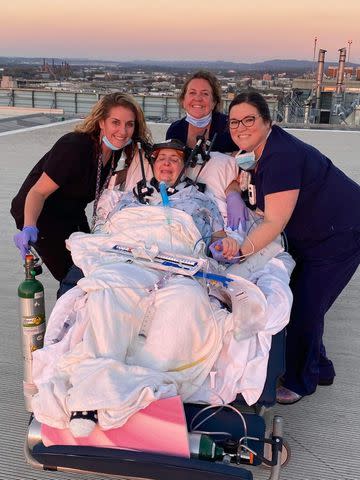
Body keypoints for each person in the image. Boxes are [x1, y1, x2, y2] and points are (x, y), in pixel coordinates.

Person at [226, 90, 360, 404]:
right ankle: (321, 367)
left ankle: (301, 382)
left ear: (267, 121)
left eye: (249, 120)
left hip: (338, 233)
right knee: (308, 301)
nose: (241, 127)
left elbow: (273, 222)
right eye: (234, 122)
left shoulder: (281, 157)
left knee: (304, 306)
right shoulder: (253, 150)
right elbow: (241, 180)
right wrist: (234, 193)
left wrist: (240, 252)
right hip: (314, 232)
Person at [11, 93, 151, 289]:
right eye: (115, 122)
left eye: (129, 124)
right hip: (41, 215)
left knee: (93, 261)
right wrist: (29, 226)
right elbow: (37, 193)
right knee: (73, 275)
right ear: (102, 122)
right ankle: (66, 316)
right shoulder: (74, 147)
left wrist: (132, 171)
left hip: (72, 211)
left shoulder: (114, 149)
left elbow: (99, 179)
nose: (123, 131)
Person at [166, 70, 238, 153]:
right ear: (183, 100)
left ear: (214, 102)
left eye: (205, 93)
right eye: (192, 93)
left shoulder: (230, 127)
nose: (198, 98)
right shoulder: (175, 130)